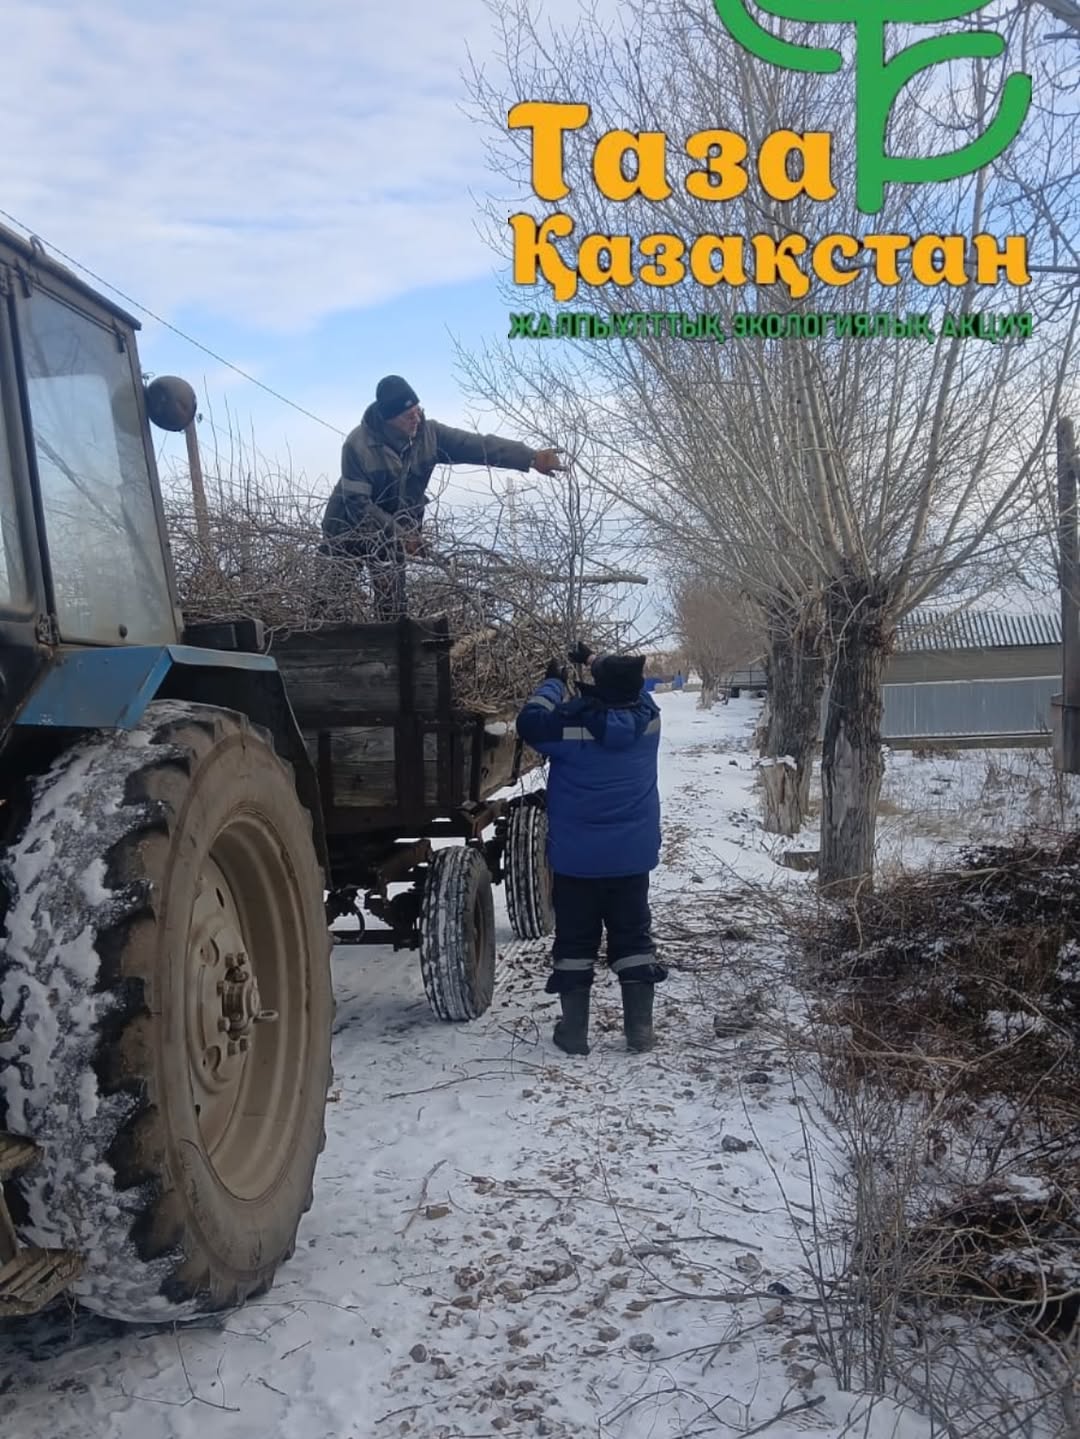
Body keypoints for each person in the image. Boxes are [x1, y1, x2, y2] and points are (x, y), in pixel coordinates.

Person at [515, 643, 667, 1056]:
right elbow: (627, 685)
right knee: (633, 937)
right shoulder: (649, 719)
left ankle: (574, 1033)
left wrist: (553, 683)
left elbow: (529, 722)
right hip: (631, 858)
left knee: (575, 942)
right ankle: (640, 1031)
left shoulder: (566, 728)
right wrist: (592, 660)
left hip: (576, 861)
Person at [321, 375, 564, 619]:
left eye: (418, 411)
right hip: (346, 529)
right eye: (408, 416)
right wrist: (402, 535)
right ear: (389, 419)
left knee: (393, 612)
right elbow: (358, 506)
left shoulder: (430, 435)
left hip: (394, 535)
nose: (417, 419)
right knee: (327, 603)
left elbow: (478, 445)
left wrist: (530, 457)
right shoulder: (357, 445)